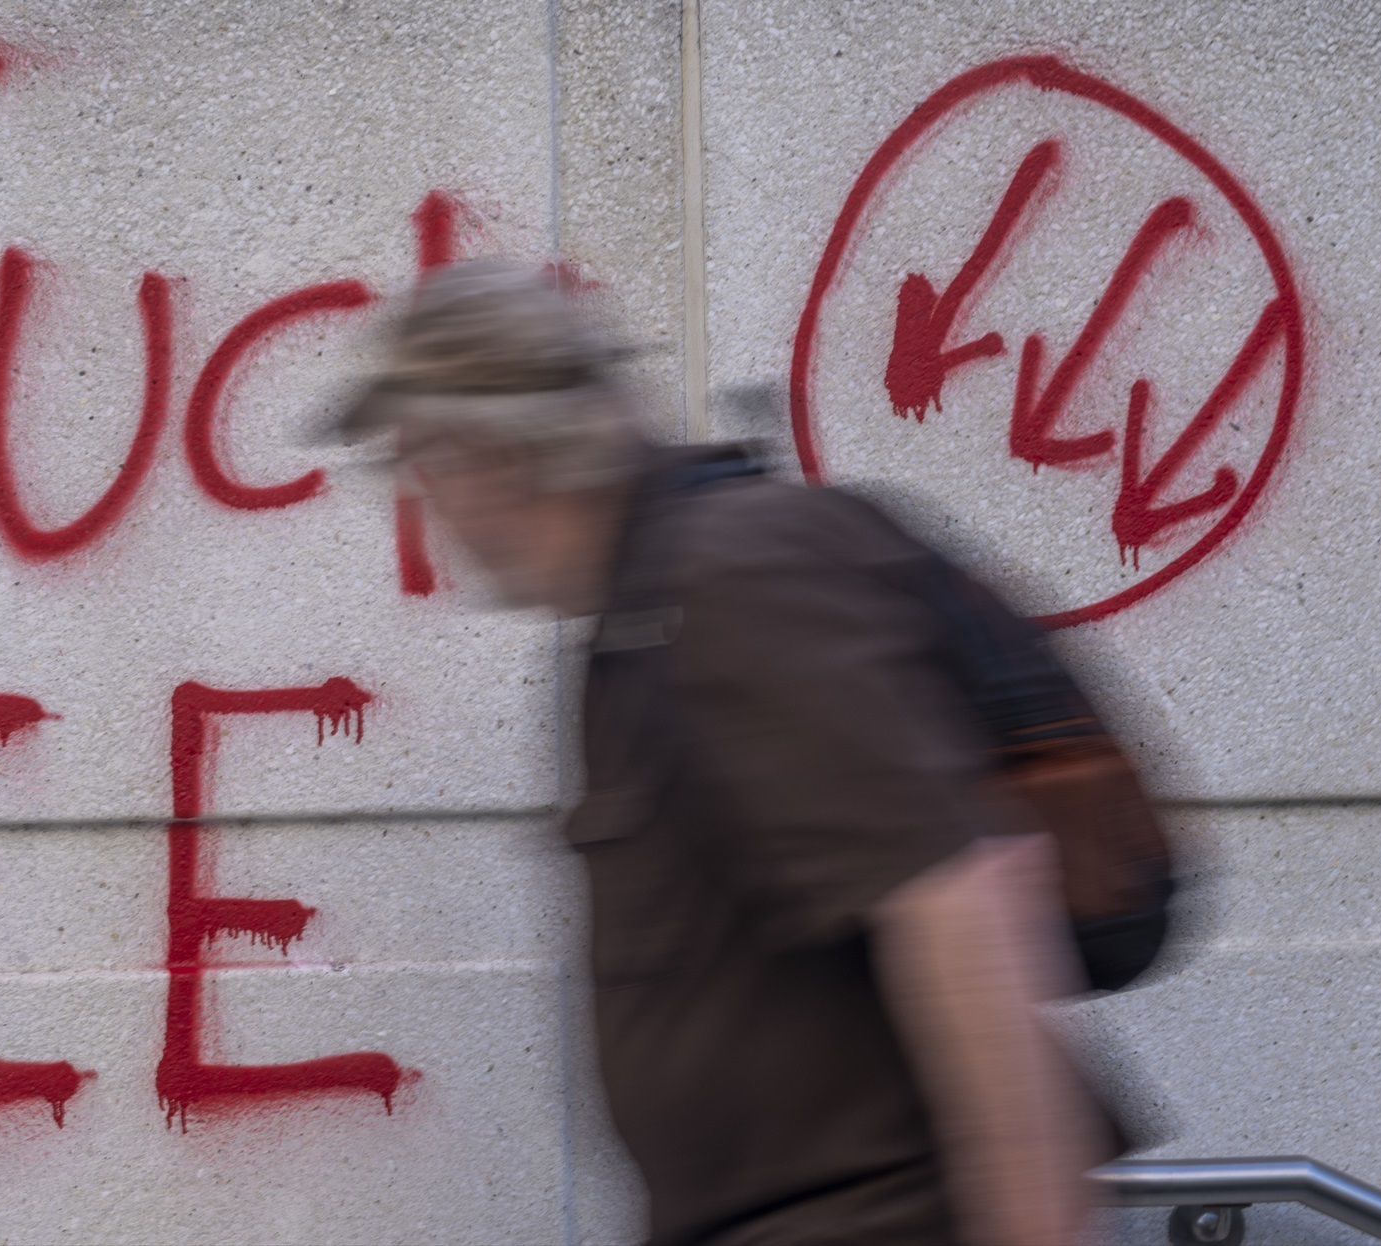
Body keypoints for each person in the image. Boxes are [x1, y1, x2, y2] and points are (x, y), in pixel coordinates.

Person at [340, 261, 1111, 1246]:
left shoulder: (733, 584)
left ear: (496, 455)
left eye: (424, 467)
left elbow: (966, 903)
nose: (427, 510)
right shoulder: (643, 617)